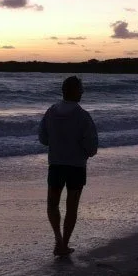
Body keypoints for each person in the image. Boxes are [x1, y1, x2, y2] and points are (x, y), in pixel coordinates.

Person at [39, 76, 98, 257]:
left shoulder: (51, 112)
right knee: (71, 207)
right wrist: (85, 152)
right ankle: (64, 243)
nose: (82, 92)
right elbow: (91, 147)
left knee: (52, 204)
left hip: (56, 164)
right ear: (73, 91)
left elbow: (43, 138)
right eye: (80, 89)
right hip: (76, 166)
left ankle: (58, 240)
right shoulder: (82, 116)